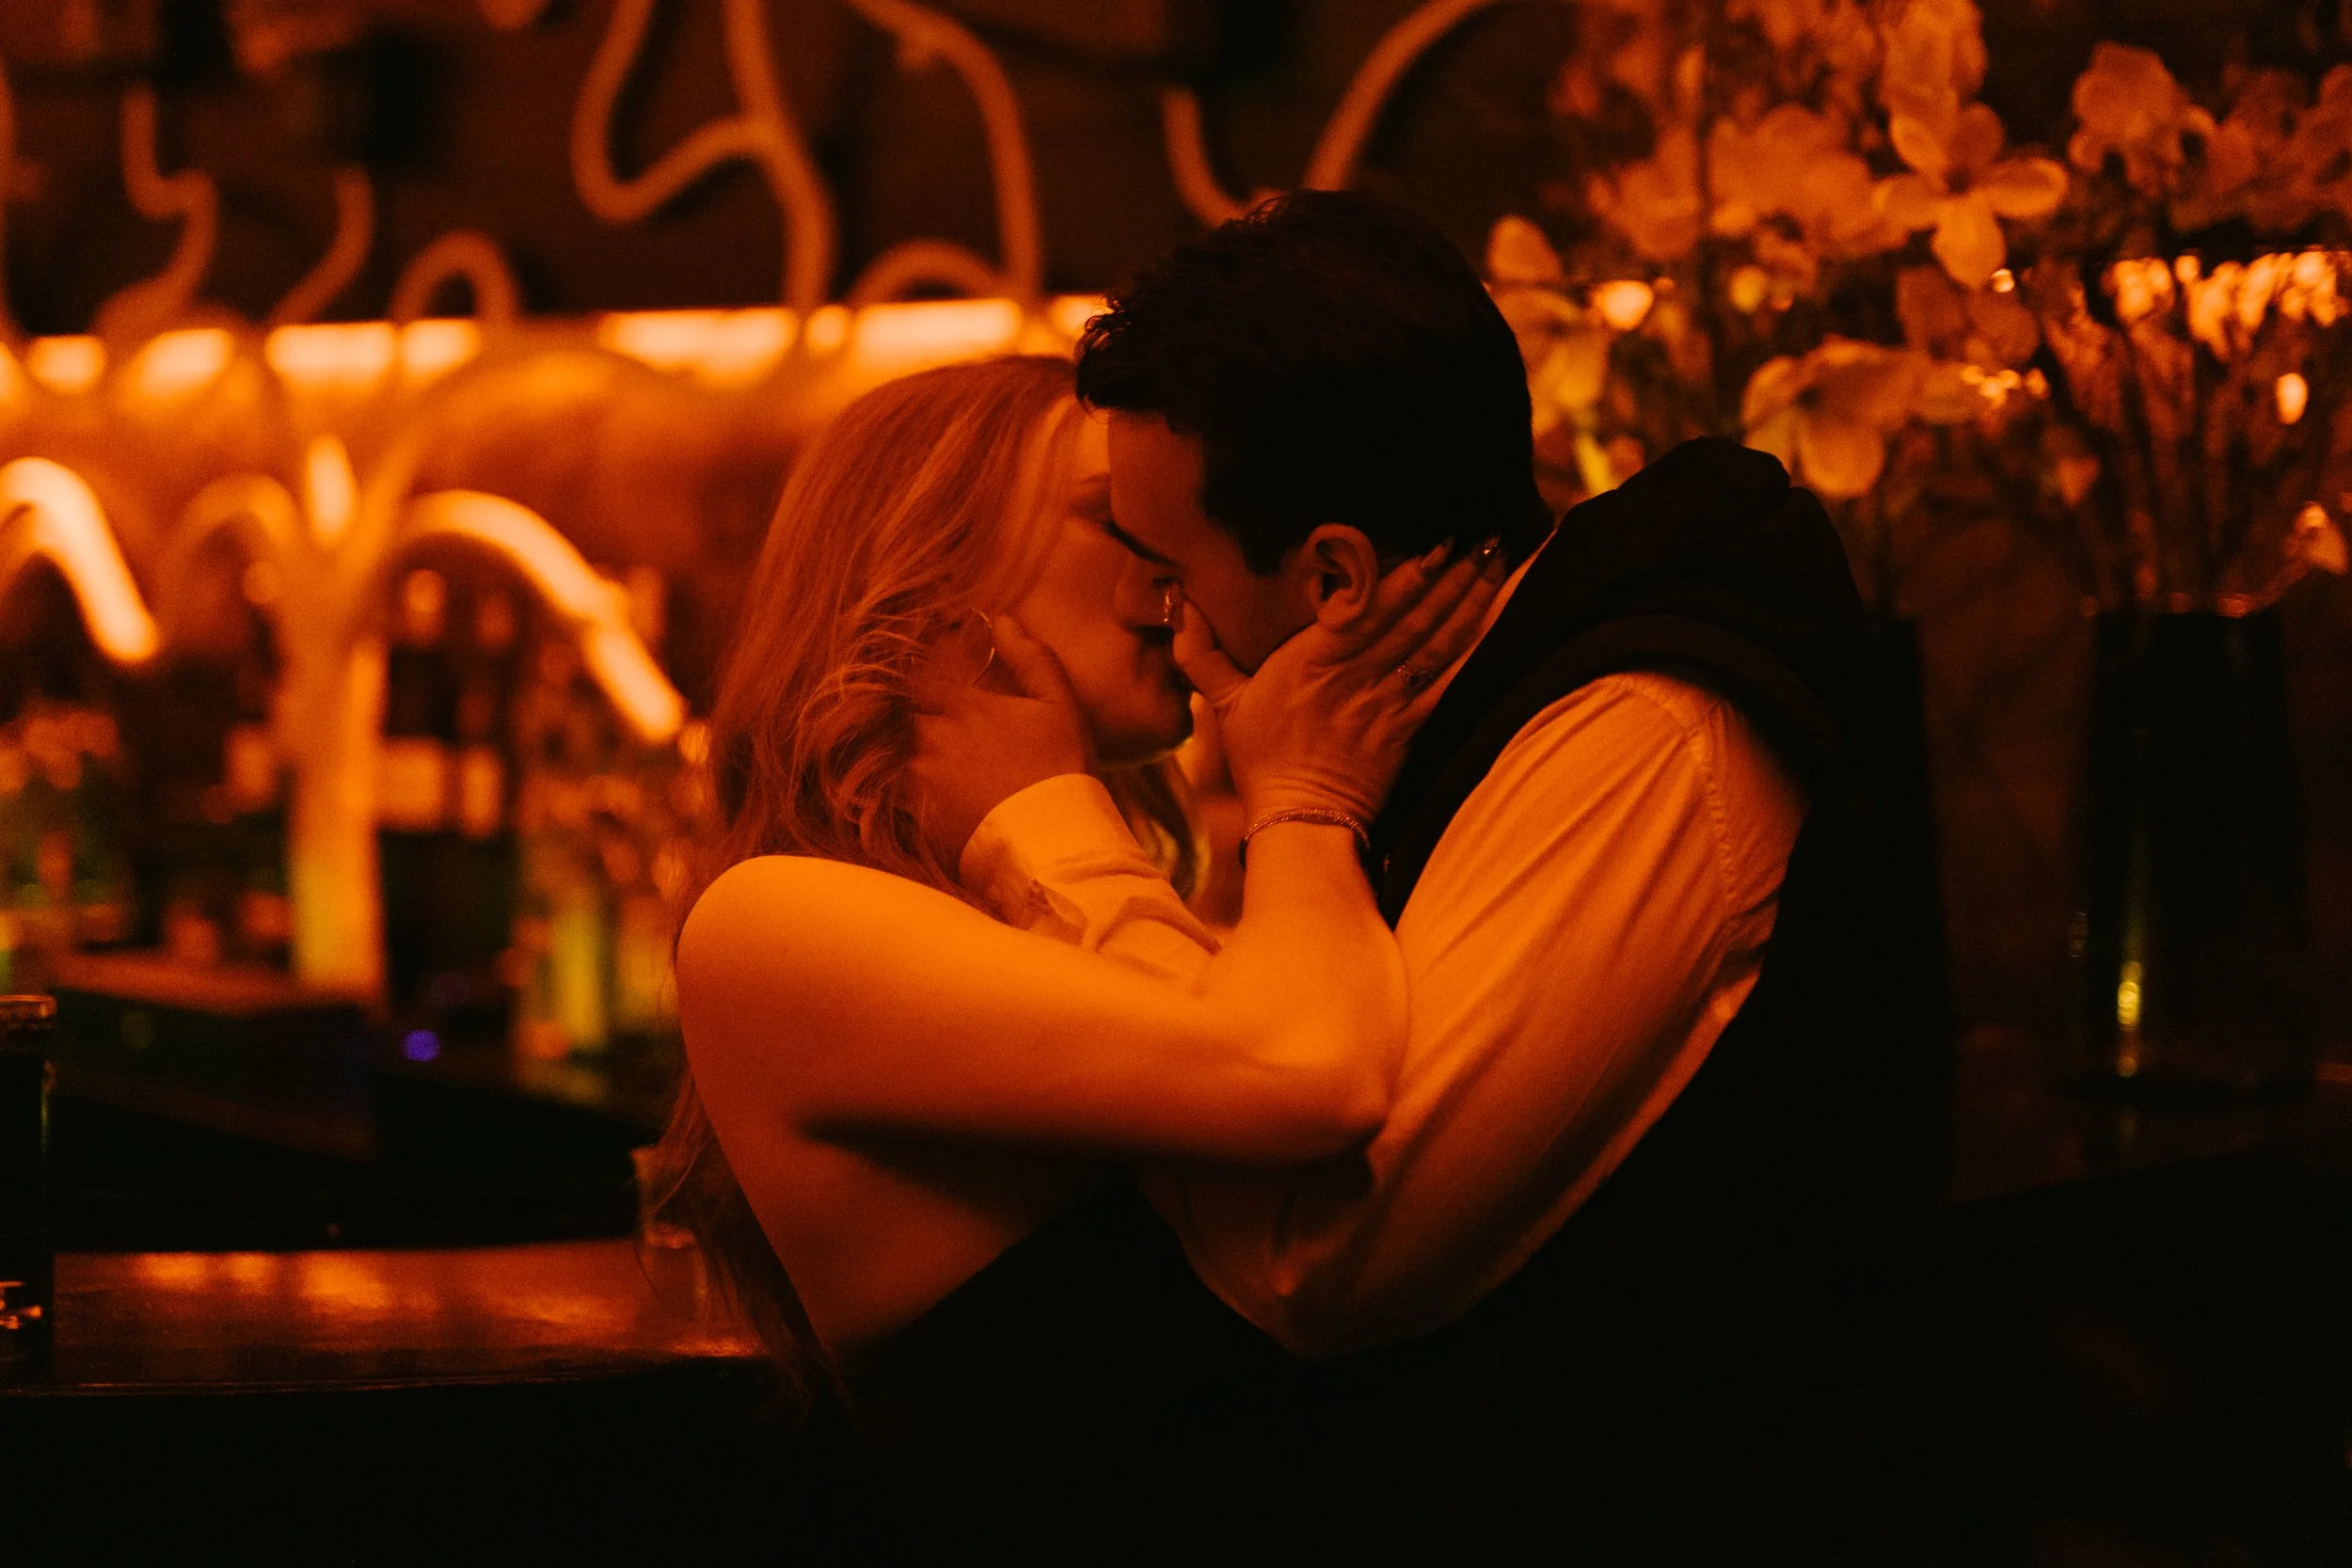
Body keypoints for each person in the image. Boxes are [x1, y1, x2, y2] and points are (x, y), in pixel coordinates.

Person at [952, 189, 1953, 1563]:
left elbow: (1318, 1258)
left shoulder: (1644, 733)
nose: (1163, 625)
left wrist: (1076, 827)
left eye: (1170, 573)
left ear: (1335, 581)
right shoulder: (1430, 727)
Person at [650, 353, 1505, 1565]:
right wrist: (1303, 792)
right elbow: (1310, 1072)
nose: (1177, 567)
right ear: (928, 564)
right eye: (1119, 520)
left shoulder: (1060, 906)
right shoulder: (769, 925)